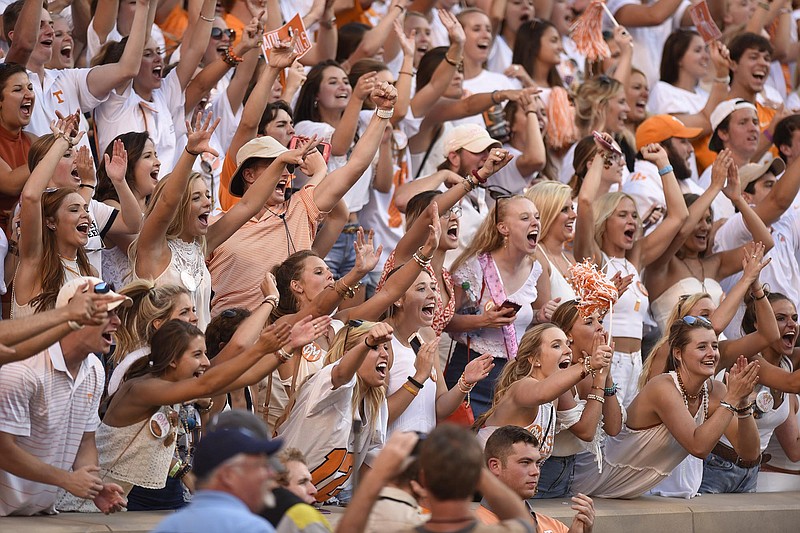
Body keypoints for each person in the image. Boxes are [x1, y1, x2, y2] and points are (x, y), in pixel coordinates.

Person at [571, 317, 761, 499]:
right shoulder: (662, 387)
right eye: (702, 347)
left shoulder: (716, 391)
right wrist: (732, 399)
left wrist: (742, 404)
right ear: (678, 353)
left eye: (715, 346)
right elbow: (698, 447)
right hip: (596, 478)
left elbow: (749, 454)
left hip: (627, 492)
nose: (712, 353)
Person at [574, 134, 688, 407]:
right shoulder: (594, 259)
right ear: (605, 221)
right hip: (605, 361)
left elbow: (679, 216)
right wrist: (601, 156)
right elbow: (586, 203)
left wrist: (663, 163)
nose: (632, 221)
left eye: (634, 215)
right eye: (622, 215)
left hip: (636, 362)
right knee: (599, 440)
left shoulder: (634, 258)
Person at [0, 277, 129, 516]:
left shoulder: (94, 369)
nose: (117, 322)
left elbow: (85, 441)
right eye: (106, 313)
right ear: (76, 314)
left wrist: (93, 487)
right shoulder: (22, 369)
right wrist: (66, 479)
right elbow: (3, 450)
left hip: (40, 515)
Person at [447, 193, 555, 417]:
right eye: (525, 218)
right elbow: (445, 321)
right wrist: (483, 320)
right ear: (503, 228)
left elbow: (531, 324)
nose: (535, 222)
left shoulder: (537, 268)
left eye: (537, 217)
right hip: (473, 368)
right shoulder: (474, 266)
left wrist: (540, 316)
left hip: (514, 374)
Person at [276, 321, 394, 502]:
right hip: (278, 491)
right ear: (347, 354)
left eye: (385, 347)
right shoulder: (327, 377)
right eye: (375, 347)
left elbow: (370, 465)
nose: (384, 354)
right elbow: (341, 374)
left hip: (316, 502)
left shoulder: (376, 402)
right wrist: (366, 344)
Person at [473, 323, 611, 461]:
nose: (568, 350)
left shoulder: (554, 398)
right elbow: (541, 393)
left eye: (568, 344)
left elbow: (593, 431)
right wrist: (589, 364)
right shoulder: (521, 386)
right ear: (535, 359)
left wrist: (601, 377)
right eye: (556, 345)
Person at [151, 425, 284, 533]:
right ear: (228, 476)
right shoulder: (253, 528)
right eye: (261, 466)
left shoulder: (168, 527)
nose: (271, 473)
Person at [479, 425, 596, 532]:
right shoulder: (477, 526)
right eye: (525, 462)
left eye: (538, 463)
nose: (536, 472)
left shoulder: (555, 526)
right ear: (495, 466)